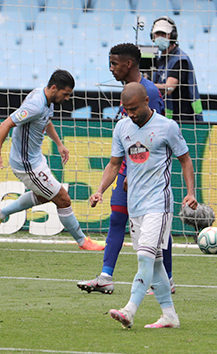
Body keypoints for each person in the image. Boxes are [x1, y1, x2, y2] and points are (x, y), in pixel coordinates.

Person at [89, 83, 197, 329]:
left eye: (135, 108)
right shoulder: (121, 127)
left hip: (159, 204)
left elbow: (185, 160)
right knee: (156, 263)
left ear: (147, 101)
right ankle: (169, 315)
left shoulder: (167, 127)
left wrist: (190, 193)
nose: (131, 114)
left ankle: (130, 310)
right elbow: (115, 164)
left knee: (145, 258)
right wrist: (99, 190)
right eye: (126, 109)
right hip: (135, 205)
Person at [78, 43, 174, 294]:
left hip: (146, 174)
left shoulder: (149, 93)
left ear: (128, 64)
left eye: (114, 63)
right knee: (117, 218)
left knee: (157, 225)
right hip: (126, 171)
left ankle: (167, 279)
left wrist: (137, 174)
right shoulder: (128, 92)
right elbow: (119, 152)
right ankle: (105, 276)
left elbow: (156, 136)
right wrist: (103, 186)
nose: (110, 69)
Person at [0, 70, 104, 251]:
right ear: (54, 88)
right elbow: (5, 124)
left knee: (45, 194)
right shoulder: (35, 104)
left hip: (35, 158)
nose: (66, 98)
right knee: (63, 198)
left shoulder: (45, 98)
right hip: (26, 164)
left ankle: (0, 215)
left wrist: (59, 144)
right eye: (65, 94)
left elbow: (45, 120)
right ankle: (83, 241)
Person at [151, 16, 203, 123]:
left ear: (172, 36)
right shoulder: (158, 59)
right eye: (157, 34)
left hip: (185, 119)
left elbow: (169, 88)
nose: (160, 37)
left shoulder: (180, 60)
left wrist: (143, 85)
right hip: (167, 118)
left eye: (164, 34)